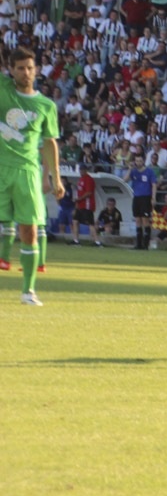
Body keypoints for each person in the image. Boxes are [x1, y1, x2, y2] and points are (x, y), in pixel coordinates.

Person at [0, 47, 63, 305]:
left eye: (30, 67)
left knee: (29, 231)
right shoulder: (3, 89)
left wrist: (55, 178)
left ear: (36, 69)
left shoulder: (46, 105)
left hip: (27, 172)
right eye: (20, 68)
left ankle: (28, 291)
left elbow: (49, 143)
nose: (26, 72)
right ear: (11, 71)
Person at [123, 155, 158, 250]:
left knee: (145, 220)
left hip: (146, 198)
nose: (138, 162)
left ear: (143, 161)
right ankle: (138, 244)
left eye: (140, 161)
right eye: (137, 161)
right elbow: (125, 180)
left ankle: (145, 244)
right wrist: (129, 169)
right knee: (137, 220)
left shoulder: (149, 171)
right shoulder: (134, 171)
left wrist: (153, 197)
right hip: (137, 197)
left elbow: (154, 184)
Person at [70, 165, 103, 247]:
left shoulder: (89, 179)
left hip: (87, 205)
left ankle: (97, 242)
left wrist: (79, 199)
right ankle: (76, 240)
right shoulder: (81, 179)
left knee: (90, 224)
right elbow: (80, 192)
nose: (81, 171)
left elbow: (89, 193)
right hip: (80, 205)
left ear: (86, 170)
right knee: (75, 221)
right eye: (80, 169)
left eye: (82, 170)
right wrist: (77, 203)